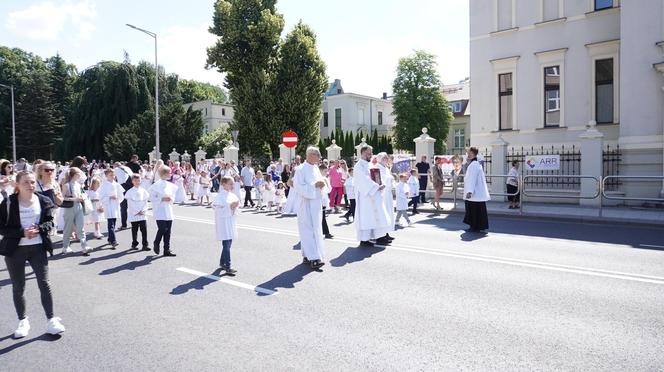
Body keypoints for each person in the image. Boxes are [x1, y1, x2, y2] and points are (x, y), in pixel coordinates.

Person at [0, 170, 66, 338]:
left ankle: (51, 320)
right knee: (18, 286)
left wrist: (39, 229)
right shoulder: (8, 203)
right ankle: (23, 320)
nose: (30, 186)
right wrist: (23, 233)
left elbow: (50, 222)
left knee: (44, 283)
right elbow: (2, 228)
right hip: (15, 250)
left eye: (32, 182)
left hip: (38, 248)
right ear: (17, 185)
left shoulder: (43, 200)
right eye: (26, 183)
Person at [293, 147, 326, 269]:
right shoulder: (300, 169)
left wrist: (322, 185)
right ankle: (314, 258)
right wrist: (314, 185)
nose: (319, 157)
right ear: (310, 155)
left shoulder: (315, 168)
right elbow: (299, 187)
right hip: (306, 203)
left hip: (315, 203)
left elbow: (320, 182)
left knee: (315, 229)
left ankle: (307, 255)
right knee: (308, 230)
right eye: (317, 155)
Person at [354, 146, 391, 246]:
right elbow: (363, 180)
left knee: (378, 215)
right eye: (367, 153)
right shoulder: (358, 166)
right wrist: (376, 186)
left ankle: (379, 236)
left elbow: (377, 176)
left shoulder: (370, 164)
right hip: (365, 196)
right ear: (362, 153)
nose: (370, 155)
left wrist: (381, 183)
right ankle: (364, 239)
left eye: (370, 153)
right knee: (367, 217)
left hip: (375, 194)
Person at [212, 176, 240, 275]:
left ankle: (222, 262)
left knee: (228, 244)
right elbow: (217, 211)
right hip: (223, 224)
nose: (232, 185)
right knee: (227, 244)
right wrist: (229, 207)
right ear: (224, 184)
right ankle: (228, 266)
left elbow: (236, 209)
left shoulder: (233, 195)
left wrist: (234, 207)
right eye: (230, 183)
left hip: (230, 222)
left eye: (233, 183)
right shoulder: (219, 196)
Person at [60, 167, 90, 256]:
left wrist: (83, 198)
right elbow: (61, 198)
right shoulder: (66, 185)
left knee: (81, 227)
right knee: (68, 228)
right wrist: (74, 199)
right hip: (69, 207)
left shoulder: (78, 184)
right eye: (78, 173)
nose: (80, 175)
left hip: (79, 207)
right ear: (73, 175)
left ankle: (84, 246)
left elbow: (82, 194)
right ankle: (65, 247)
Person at [149, 165, 177, 257]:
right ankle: (156, 242)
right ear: (163, 174)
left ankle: (166, 249)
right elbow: (151, 197)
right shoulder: (155, 186)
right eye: (169, 172)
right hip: (159, 210)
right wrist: (161, 198)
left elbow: (173, 196)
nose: (170, 174)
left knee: (168, 231)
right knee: (162, 228)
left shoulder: (170, 185)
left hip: (168, 209)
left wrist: (170, 198)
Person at [463, 147, 490, 233]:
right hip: (477, 193)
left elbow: (472, 178)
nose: (467, 154)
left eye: (468, 152)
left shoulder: (474, 164)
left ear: (472, 153)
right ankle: (478, 226)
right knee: (478, 210)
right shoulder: (476, 163)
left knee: (473, 210)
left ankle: (474, 226)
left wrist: (469, 191)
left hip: (474, 193)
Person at [98, 169, 125, 249]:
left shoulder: (117, 185)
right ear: (106, 176)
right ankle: (113, 241)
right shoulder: (103, 185)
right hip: (108, 206)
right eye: (111, 175)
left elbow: (121, 195)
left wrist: (118, 198)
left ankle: (110, 239)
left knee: (114, 223)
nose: (113, 177)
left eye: (113, 175)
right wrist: (109, 197)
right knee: (111, 224)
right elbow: (101, 197)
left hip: (115, 206)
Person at [126, 175, 150, 251]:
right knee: (134, 230)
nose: (137, 182)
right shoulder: (130, 192)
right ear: (132, 181)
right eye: (135, 181)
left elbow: (145, 202)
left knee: (144, 230)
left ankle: (145, 245)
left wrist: (143, 210)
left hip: (142, 214)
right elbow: (130, 203)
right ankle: (134, 243)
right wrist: (136, 211)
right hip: (134, 214)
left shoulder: (143, 191)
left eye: (138, 180)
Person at [375, 152, 395, 242]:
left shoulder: (386, 168)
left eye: (387, 158)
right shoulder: (377, 168)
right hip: (382, 194)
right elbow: (378, 181)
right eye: (384, 158)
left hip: (388, 194)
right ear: (380, 159)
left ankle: (386, 233)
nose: (386, 160)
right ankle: (381, 235)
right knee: (383, 213)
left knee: (388, 213)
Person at [114, 162, 133, 230]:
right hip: (131, 187)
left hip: (123, 187)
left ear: (115, 165)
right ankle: (134, 222)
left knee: (123, 207)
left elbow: (113, 178)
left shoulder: (116, 169)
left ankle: (124, 225)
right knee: (131, 206)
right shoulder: (127, 168)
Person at [318, 163, 333, 239]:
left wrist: (327, 183)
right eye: (324, 171)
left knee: (323, 216)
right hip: (318, 200)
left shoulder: (326, 179)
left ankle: (326, 232)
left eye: (327, 171)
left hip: (323, 200)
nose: (326, 173)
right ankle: (325, 232)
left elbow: (329, 190)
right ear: (320, 170)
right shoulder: (317, 178)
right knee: (320, 217)